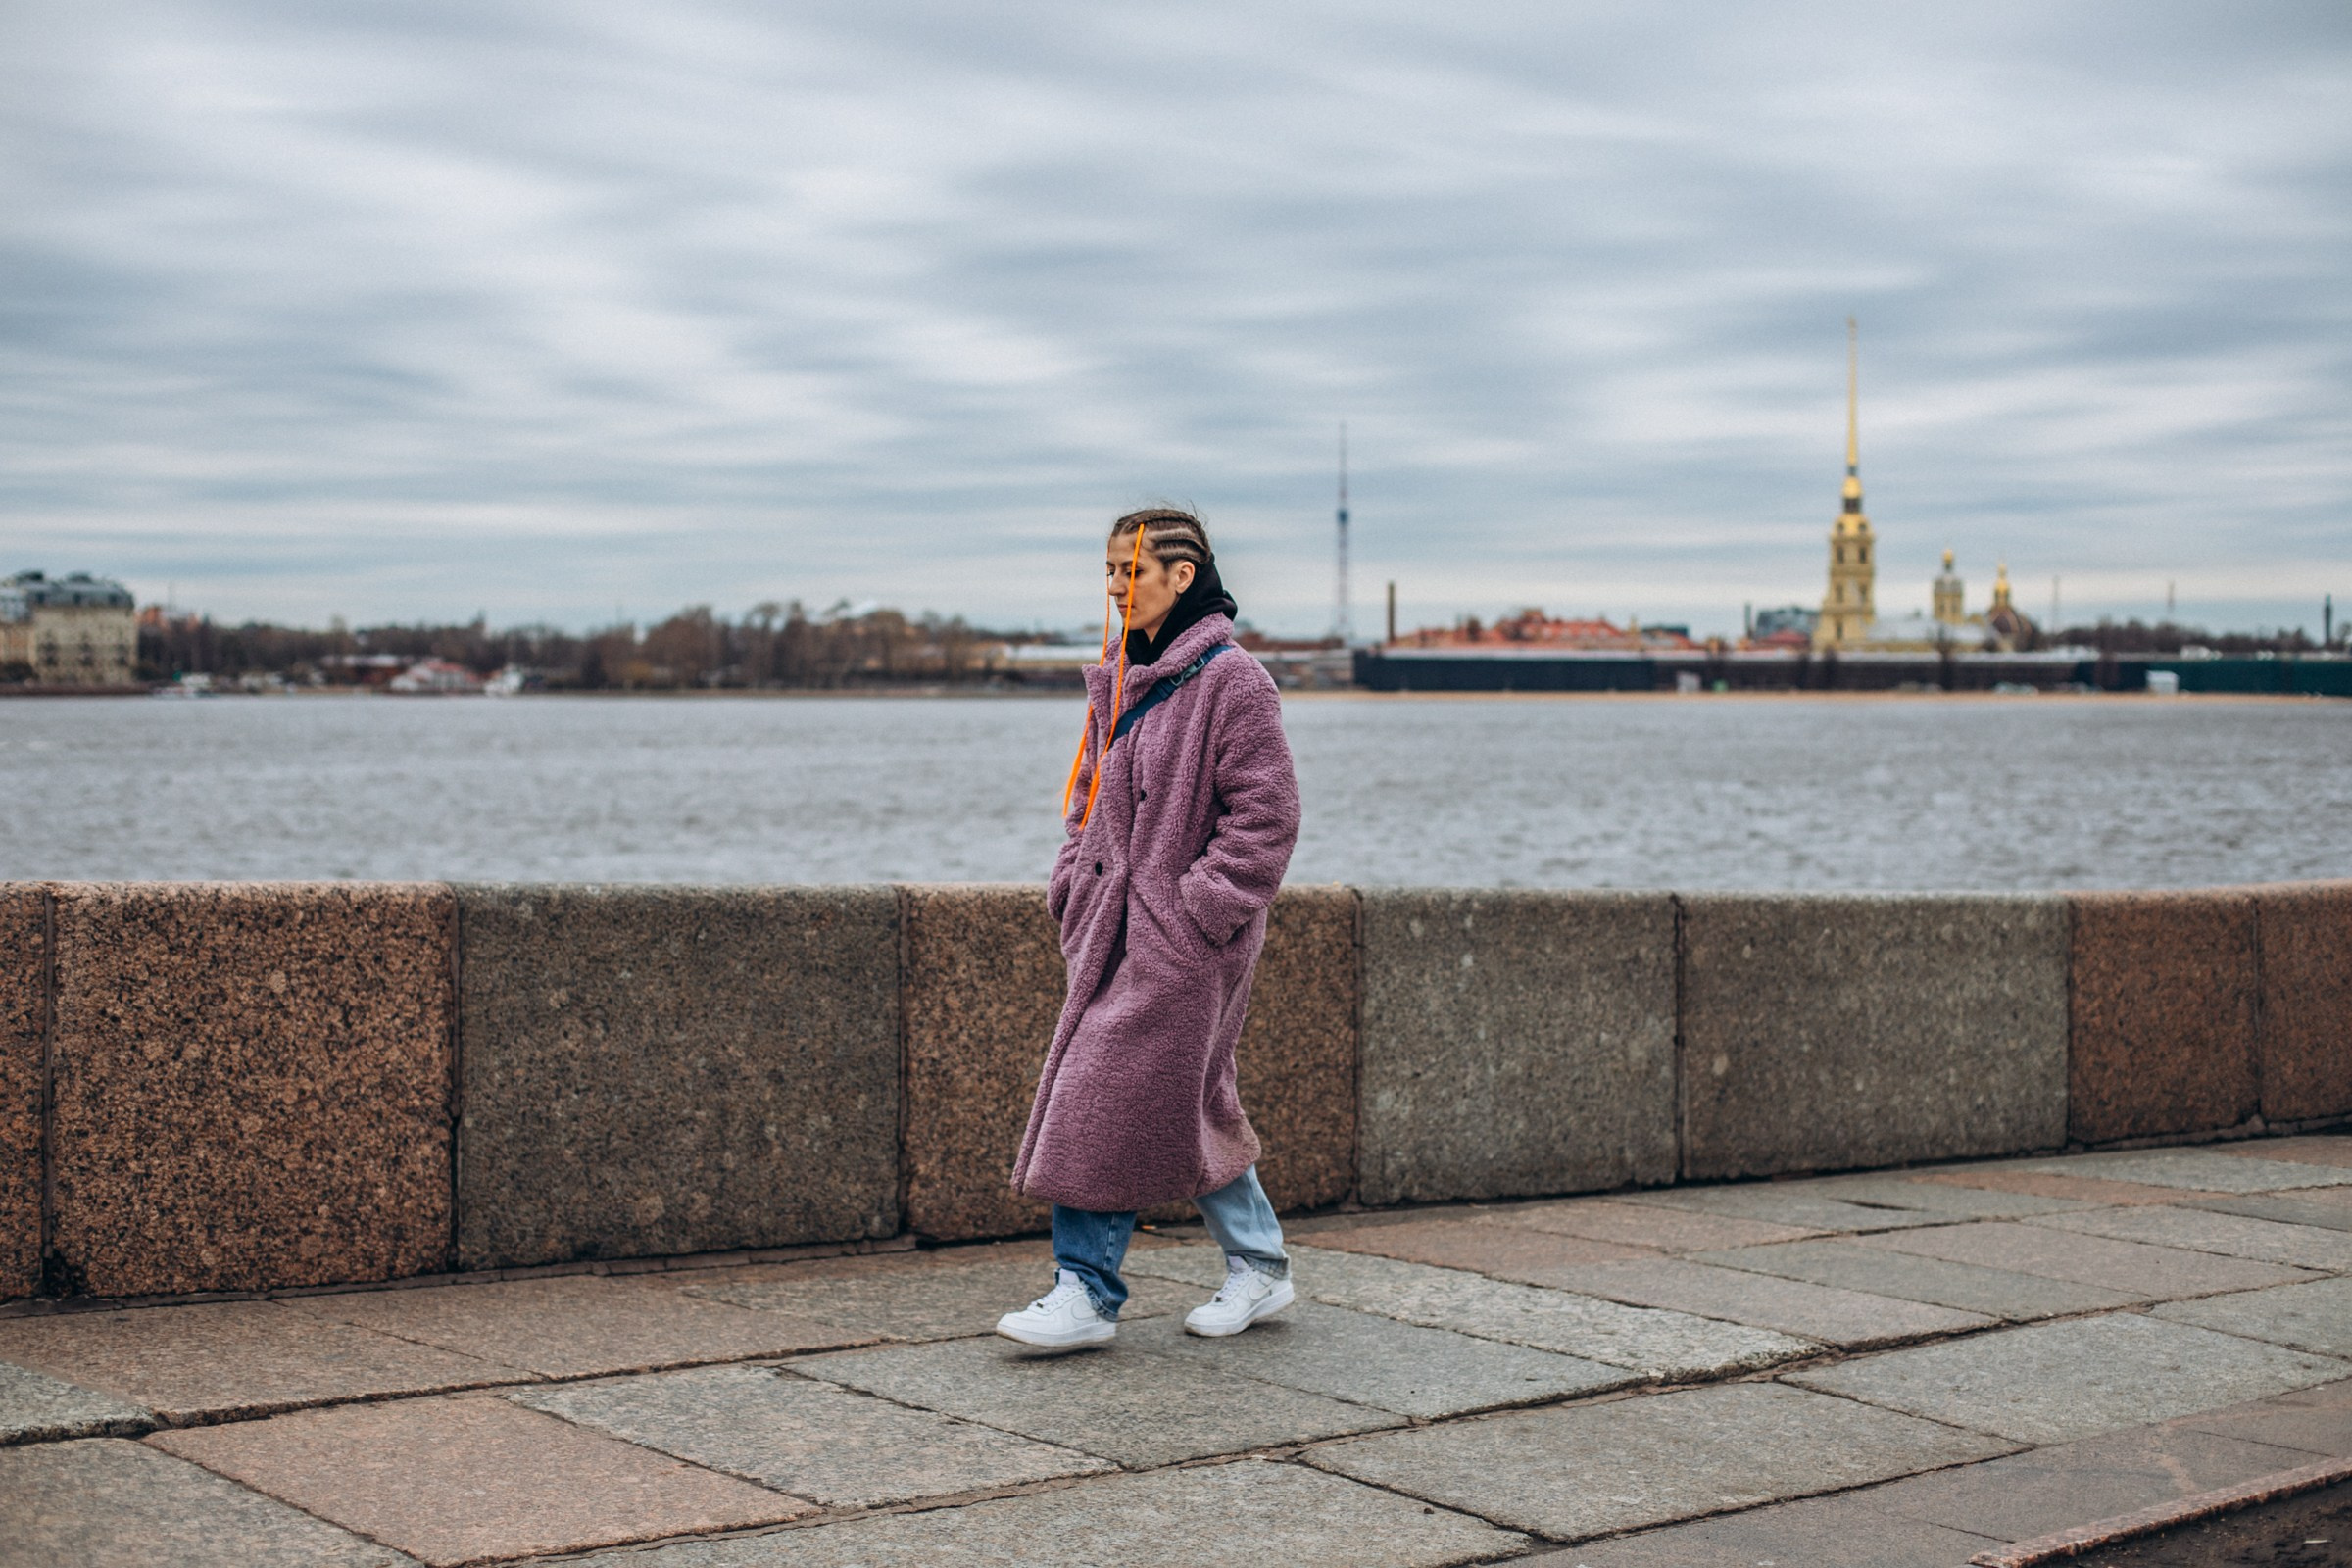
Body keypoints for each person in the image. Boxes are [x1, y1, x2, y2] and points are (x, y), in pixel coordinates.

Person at [997, 506, 1303, 1350]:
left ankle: (1086, 1293)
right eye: (1109, 572)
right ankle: (1261, 1267)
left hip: (1184, 939)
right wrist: (1072, 880)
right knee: (1189, 1098)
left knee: (1102, 1093)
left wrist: (1196, 911)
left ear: (1182, 574)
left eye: (1131, 571)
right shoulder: (1120, 676)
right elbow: (1086, 799)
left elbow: (1267, 818)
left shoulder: (1232, 680)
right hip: (1111, 927)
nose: (1116, 587)